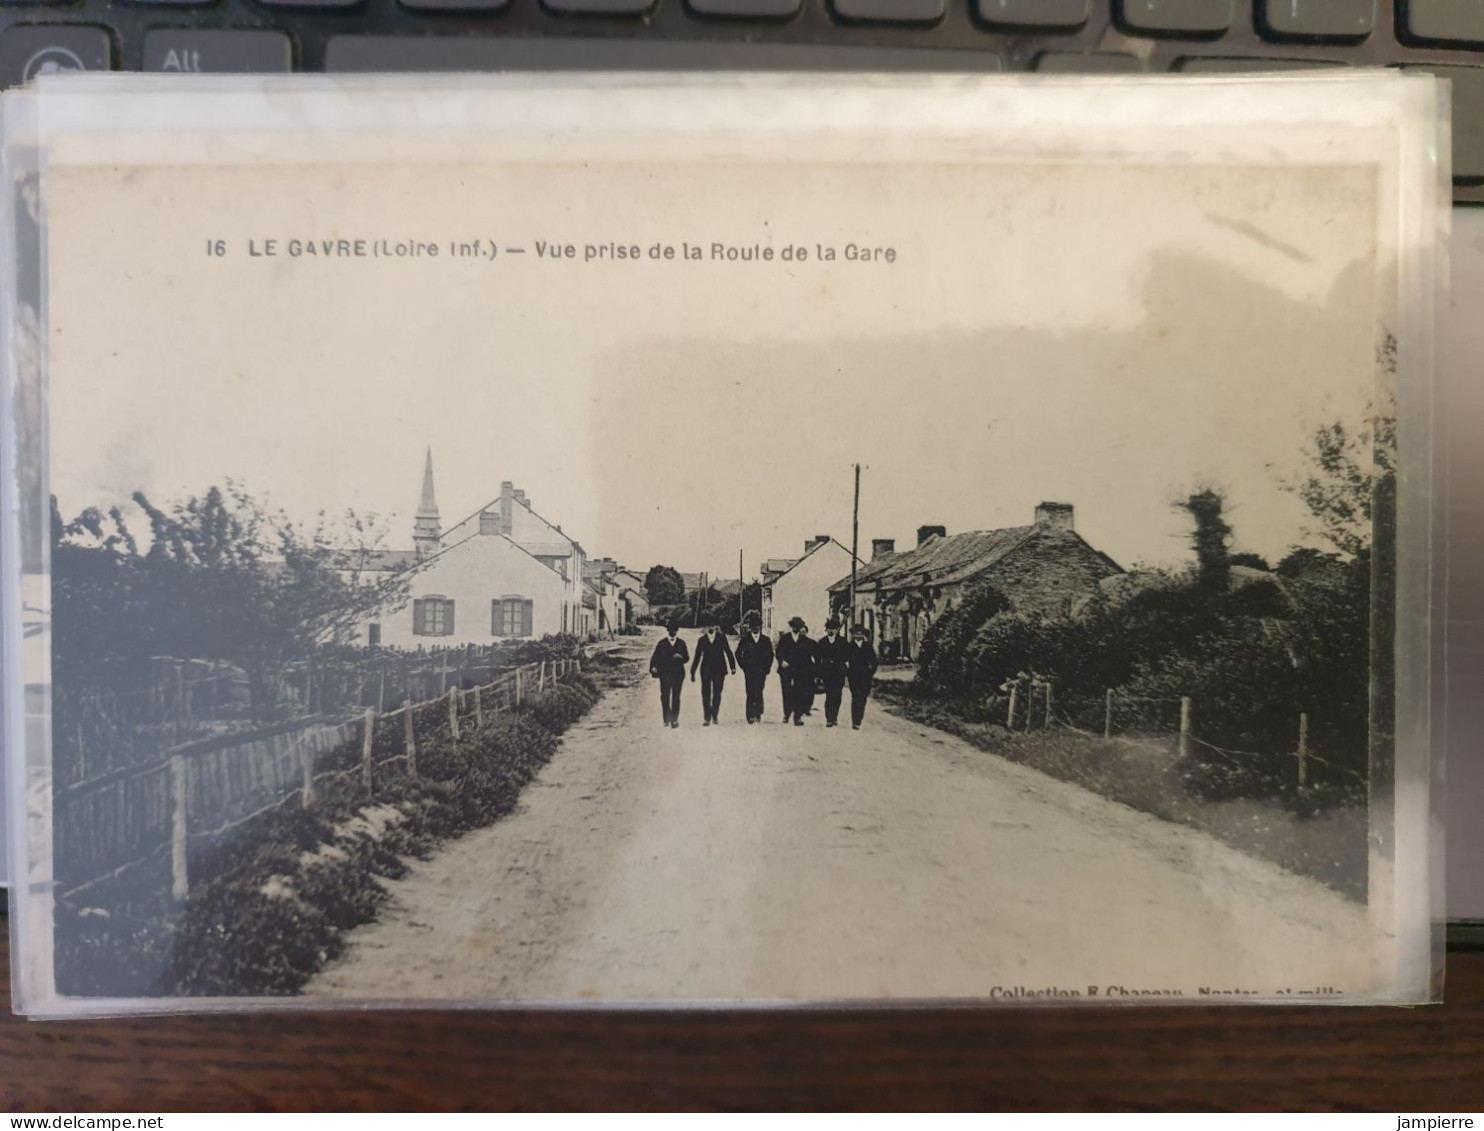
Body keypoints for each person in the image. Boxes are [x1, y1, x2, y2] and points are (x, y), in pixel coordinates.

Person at [690, 622, 737, 726]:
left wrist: (732, 666)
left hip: (719, 669)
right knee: (706, 693)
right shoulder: (702, 640)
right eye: (708, 625)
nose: (710, 627)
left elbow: (728, 652)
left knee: (717, 692)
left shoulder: (721, 638)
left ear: (715, 626)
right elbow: (697, 656)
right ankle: (707, 717)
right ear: (706, 627)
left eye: (712, 625)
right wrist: (692, 671)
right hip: (706, 670)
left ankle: (714, 715)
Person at [774, 615, 815, 726]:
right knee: (787, 692)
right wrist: (782, 661)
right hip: (786, 670)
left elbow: (812, 654)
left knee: (799, 692)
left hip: (800, 671)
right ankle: (786, 714)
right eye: (793, 626)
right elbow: (778, 652)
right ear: (791, 626)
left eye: (798, 626)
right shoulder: (785, 638)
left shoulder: (805, 640)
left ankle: (797, 717)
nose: (795, 628)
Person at [649, 618, 689, 728]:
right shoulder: (661, 644)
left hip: (678, 674)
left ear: (677, 630)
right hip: (664, 674)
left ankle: (675, 720)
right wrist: (653, 667)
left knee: (676, 696)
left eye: (675, 630)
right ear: (668, 630)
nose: (673, 632)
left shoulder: (681, 643)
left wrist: (681, 657)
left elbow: (687, 658)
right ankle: (667, 718)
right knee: (665, 696)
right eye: (671, 630)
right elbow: (654, 658)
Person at [735, 612, 774, 724]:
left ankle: (758, 713)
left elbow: (770, 655)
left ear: (760, 627)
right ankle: (750, 715)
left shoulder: (766, 640)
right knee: (750, 692)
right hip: (750, 671)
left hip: (761, 671)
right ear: (750, 628)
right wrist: (744, 666)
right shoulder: (745, 640)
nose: (755, 629)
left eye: (757, 627)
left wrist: (767, 668)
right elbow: (738, 653)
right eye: (753, 627)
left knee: (759, 690)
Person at [814, 615, 851, 727]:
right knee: (829, 694)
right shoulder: (822, 642)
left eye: (834, 628)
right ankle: (829, 718)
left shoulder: (843, 642)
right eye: (829, 628)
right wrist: (818, 673)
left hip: (839, 673)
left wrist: (845, 669)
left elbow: (848, 656)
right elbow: (817, 659)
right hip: (826, 673)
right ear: (826, 629)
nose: (831, 631)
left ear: (837, 629)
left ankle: (834, 716)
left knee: (837, 695)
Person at [846, 622, 879, 730]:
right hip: (853, 676)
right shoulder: (849, 647)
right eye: (856, 633)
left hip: (865, 676)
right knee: (855, 697)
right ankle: (855, 721)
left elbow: (874, 661)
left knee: (863, 698)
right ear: (853, 634)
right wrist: (848, 672)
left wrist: (871, 672)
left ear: (863, 635)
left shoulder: (867, 646)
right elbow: (843, 661)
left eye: (860, 633)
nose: (858, 635)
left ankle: (859, 718)